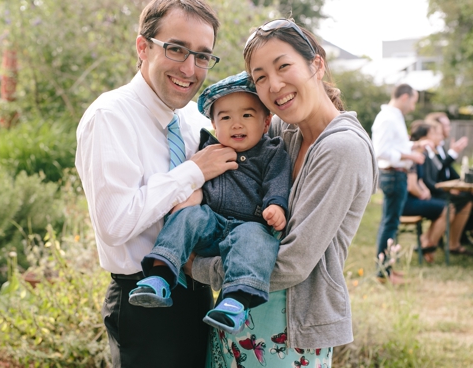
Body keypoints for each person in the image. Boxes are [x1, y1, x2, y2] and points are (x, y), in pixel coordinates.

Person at [190, 19, 376, 368]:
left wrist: (196, 266)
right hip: (235, 316)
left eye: (283, 66)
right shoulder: (282, 132)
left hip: (289, 331)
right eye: (260, 77)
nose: (274, 85)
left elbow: (294, 262)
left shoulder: (342, 148)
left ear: (316, 64)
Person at [75, 1, 237, 366]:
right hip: (143, 303)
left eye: (202, 56)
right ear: (143, 47)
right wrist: (193, 173)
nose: (190, 69)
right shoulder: (109, 117)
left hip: (198, 292)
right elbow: (115, 223)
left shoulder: (192, 118)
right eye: (177, 49)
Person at [128, 71, 290, 336]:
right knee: (187, 216)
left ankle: (235, 300)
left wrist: (276, 205)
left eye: (247, 115)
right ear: (214, 124)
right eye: (226, 117)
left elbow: (277, 182)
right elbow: (198, 179)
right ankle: (159, 277)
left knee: (256, 241)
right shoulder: (209, 149)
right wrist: (195, 193)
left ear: (265, 122)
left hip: (248, 225)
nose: (236, 124)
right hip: (211, 223)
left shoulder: (271, 151)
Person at [371, 84, 427, 279]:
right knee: (390, 224)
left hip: (397, 175)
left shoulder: (395, 117)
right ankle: (383, 272)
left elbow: (396, 146)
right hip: (393, 175)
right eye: (413, 101)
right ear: (405, 97)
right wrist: (412, 157)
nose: (413, 106)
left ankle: (386, 268)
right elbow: (381, 151)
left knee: (391, 223)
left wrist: (415, 145)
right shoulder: (387, 118)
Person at [413, 119, 473, 255]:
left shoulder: (431, 152)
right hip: (430, 194)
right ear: (426, 137)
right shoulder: (423, 153)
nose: (439, 137)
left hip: (434, 191)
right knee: (458, 202)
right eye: (435, 134)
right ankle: (432, 243)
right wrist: (446, 189)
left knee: (466, 199)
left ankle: (450, 242)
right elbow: (428, 180)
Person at [401, 121, 447, 263]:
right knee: (447, 208)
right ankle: (429, 246)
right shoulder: (413, 157)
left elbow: (419, 181)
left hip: (414, 199)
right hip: (407, 202)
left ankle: (426, 241)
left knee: (444, 206)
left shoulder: (418, 155)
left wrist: (425, 190)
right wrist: (422, 194)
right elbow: (411, 185)